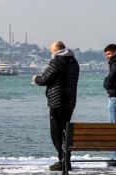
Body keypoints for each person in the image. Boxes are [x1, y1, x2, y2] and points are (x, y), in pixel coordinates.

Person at [32, 41, 80, 171]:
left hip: (56, 102)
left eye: (51, 51)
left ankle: (63, 160)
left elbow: (44, 80)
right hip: (70, 102)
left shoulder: (57, 62)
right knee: (66, 131)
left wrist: (35, 79)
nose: (50, 53)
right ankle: (66, 160)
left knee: (56, 133)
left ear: (56, 51)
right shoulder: (74, 62)